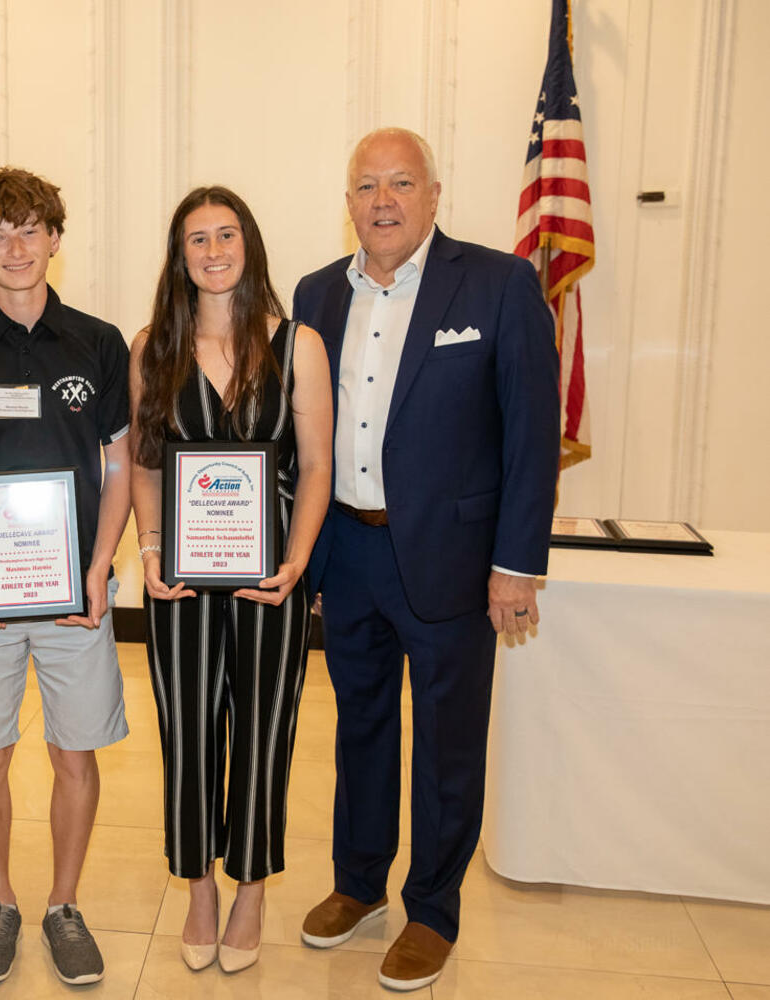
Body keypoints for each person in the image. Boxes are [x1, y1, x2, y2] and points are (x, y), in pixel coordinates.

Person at [291, 127, 559, 992]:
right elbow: (301, 438)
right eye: (366, 185)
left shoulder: (498, 283)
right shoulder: (315, 294)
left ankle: (433, 911)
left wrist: (517, 563)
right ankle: (359, 884)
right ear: (348, 203)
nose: (382, 201)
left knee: (447, 745)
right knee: (360, 728)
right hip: (349, 555)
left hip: (454, 559)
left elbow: (531, 435)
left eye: (401, 183)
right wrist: (305, 555)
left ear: (434, 195)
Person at [0, 167, 132, 986]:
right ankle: (1, 903)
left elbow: (120, 466)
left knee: (75, 752)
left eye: (29, 229)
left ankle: (65, 905)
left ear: (55, 236)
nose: (14, 248)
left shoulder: (100, 341)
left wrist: (99, 565)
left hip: (76, 594)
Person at [129, 186, 333, 974]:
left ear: (248, 244)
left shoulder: (299, 346)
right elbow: (146, 466)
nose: (213, 252)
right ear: (178, 257)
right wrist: (148, 550)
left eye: (225, 235)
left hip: (269, 580)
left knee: (263, 733)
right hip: (180, 584)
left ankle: (250, 887)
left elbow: (315, 468)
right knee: (186, 736)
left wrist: (297, 565)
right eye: (196, 241)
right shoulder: (152, 348)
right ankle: (200, 888)